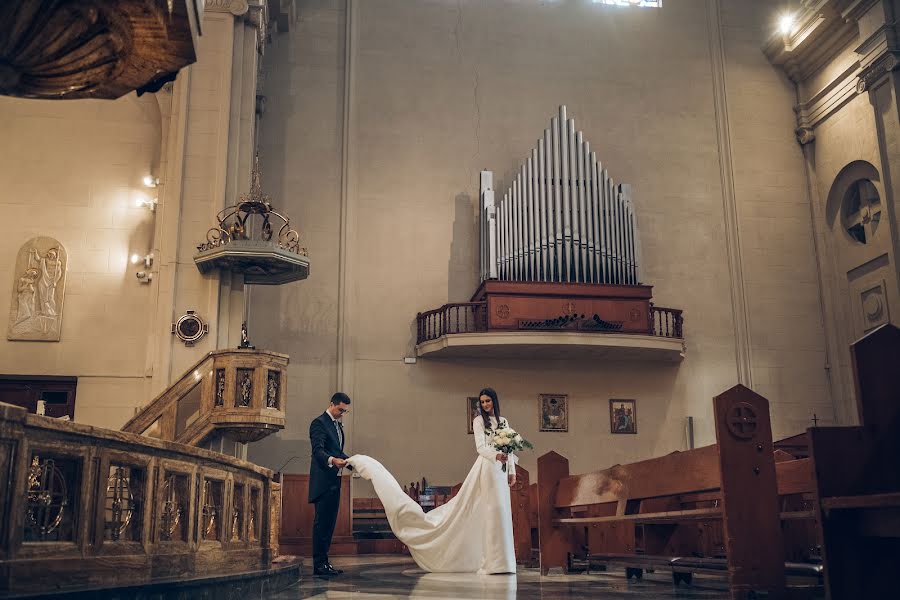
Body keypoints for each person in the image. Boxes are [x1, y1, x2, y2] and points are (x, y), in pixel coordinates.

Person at [348, 387, 519, 574]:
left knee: (501, 510)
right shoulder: (479, 421)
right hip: (487, 467)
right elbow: (480, 448)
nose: (486, 404)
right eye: (483, 401)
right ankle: (492, 562)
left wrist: (512, 471)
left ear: (495, 401)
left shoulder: (503, 421)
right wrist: (495, 456)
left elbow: (509, 449)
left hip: (501, 472)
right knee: (490, 510)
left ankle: (505, 562)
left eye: (488, 400)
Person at [308, 392, 352, 577]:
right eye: (340, 409)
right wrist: (333, 460)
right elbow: (318, 451)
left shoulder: (336, 425)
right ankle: (319, 565)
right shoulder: (319, 423)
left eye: (345, 411)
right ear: (332, 404)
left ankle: (324, 563)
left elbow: (336, 450)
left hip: (334, 481)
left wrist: (354, 462)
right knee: (322, 525)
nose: (342, 413)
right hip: (323, 481)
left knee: (329, 525)